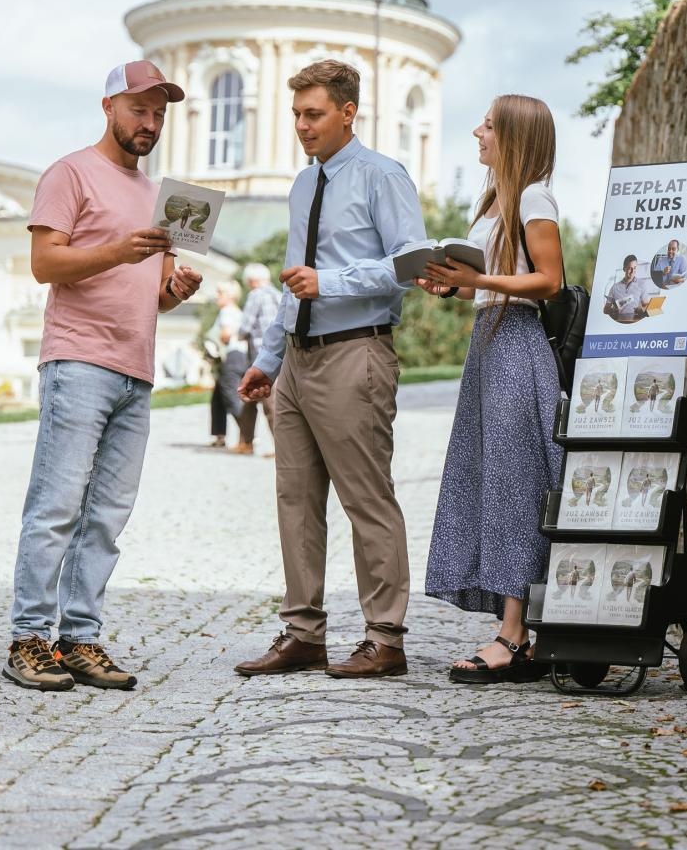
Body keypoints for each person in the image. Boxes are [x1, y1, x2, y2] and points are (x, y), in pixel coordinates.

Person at [5, 60, 203, 692]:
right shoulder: (70, 173)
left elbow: (149, 294)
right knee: (57, 504)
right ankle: (29, 638)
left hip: (135, 369)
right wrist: (120, 250)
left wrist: (175, 288)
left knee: (108, 516)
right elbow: (45, 264)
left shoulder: (162, 198)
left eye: (159, 114)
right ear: (109, 107)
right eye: (139, 109)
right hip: (78, 361)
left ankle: (80, 639)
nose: (149, 123)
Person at [234, 59, 426, 680]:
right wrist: (268, 360)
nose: (301, 126)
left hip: (355, 353)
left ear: (348, 112)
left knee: (366, 498)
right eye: (295, 115)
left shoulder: (381, 176)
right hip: (296, 363)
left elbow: (413, 263)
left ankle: (385, 638)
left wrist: (331, 281)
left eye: (312, 114)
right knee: (295, 499)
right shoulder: (302, 185)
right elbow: (294, 283)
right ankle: (303, 632)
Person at [415, 94, 566, 683]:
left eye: (489, 125)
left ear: (514, 136)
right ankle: (515, 629)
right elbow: (499, 280)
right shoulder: (498, 199)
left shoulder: (534, 196)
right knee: (491, 482)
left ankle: (513, 636)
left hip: (517, 347)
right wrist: (457, 286)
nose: (477, 131)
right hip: (490, 343)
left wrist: (478, 278)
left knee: (514, 486)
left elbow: (550, 280)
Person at [235, 263, 280, 455]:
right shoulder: (278, 294)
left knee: (266, 401)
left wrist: (238, 335)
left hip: (260, 357)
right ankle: (246, 442)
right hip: (280, 356)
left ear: (251, 280)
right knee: (256, 400)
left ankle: (278, 448)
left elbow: (245, 327)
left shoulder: (256, 295)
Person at [206, 280, 246, 450]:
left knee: (230, 396)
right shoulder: (236, 311)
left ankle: (247, 436)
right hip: (239, 356)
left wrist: (212, 344)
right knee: (218, 398)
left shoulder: (227, 311)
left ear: (230, 295)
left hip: (232, 356)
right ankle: (220, 436)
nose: (217, 296)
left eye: (220, 292)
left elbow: (226, 335)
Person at [603, 254, 656, 323]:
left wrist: (641, 309)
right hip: (619, 323)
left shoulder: (642, 284)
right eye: (630, 268)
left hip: (636, 323)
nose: (632, 271)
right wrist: (613, 309)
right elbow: (605, 310)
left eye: (634, 268)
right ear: (624, 269)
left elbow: (646, 305)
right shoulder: (615, 287)